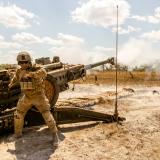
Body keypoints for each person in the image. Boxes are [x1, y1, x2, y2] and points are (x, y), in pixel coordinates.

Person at [9, 51, 59, 147]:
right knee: (18, 114)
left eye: (25, 62)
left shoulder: (36, 67)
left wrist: (31, 74)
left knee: (47, 115)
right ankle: (17, 134)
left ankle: (54, 135)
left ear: (29, 62)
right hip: (26, 96)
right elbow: (16, 78)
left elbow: (44, 72)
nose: (23, 64)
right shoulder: (19, 71)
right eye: (21, 63)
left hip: (39, 96)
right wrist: (11, 84)